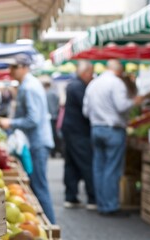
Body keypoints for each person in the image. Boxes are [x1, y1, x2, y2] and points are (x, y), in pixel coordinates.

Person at [0, 54, 56, 224]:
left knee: (39, 187)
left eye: (14, 67)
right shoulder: (27, 85)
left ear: (24, 67)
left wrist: (10, 123)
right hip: (35, 142)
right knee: (38, 186)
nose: (10, 71)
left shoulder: (29, 87)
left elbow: (33, 119)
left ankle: (51, 227)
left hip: (37, 143)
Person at [82, 60, 142, 216]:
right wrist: (134, 102)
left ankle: (101, 203)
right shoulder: (116, 83)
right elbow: (122, 106)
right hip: (113, 129)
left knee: (99, 167)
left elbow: (86, 111)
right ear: (119, 70)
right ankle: (110, 205)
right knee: (112, 168)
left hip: (96, 128)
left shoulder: (93, 84)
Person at [61, 60, 96, 210]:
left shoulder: (73, 84)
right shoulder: (78, 86)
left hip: (71, 130)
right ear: (86, 72)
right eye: (91, 73)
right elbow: (86, 108)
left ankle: (71, 196)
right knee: (85, 163)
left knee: (72, 164)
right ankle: (92, 198)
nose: (92, 76)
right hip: (78, 132)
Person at [41, 75, 61, 157]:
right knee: (55, 134)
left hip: (49, 116)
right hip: (55, 116)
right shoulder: (54, 93)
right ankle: (55, 150)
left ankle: (53, 151)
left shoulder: (46, 94)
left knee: (52, 134)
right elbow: (58, 103)